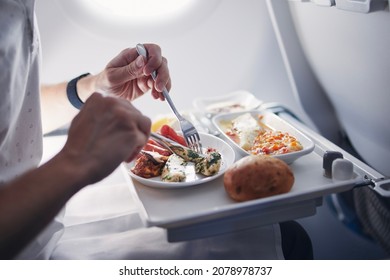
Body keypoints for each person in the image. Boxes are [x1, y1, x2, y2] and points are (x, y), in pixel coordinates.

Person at [0, 0, 312, 260]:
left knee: (282, 228)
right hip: (23, 244)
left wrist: (94, 86)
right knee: (287, 242)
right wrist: (74, 163)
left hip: (45, 210)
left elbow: (15, 106)